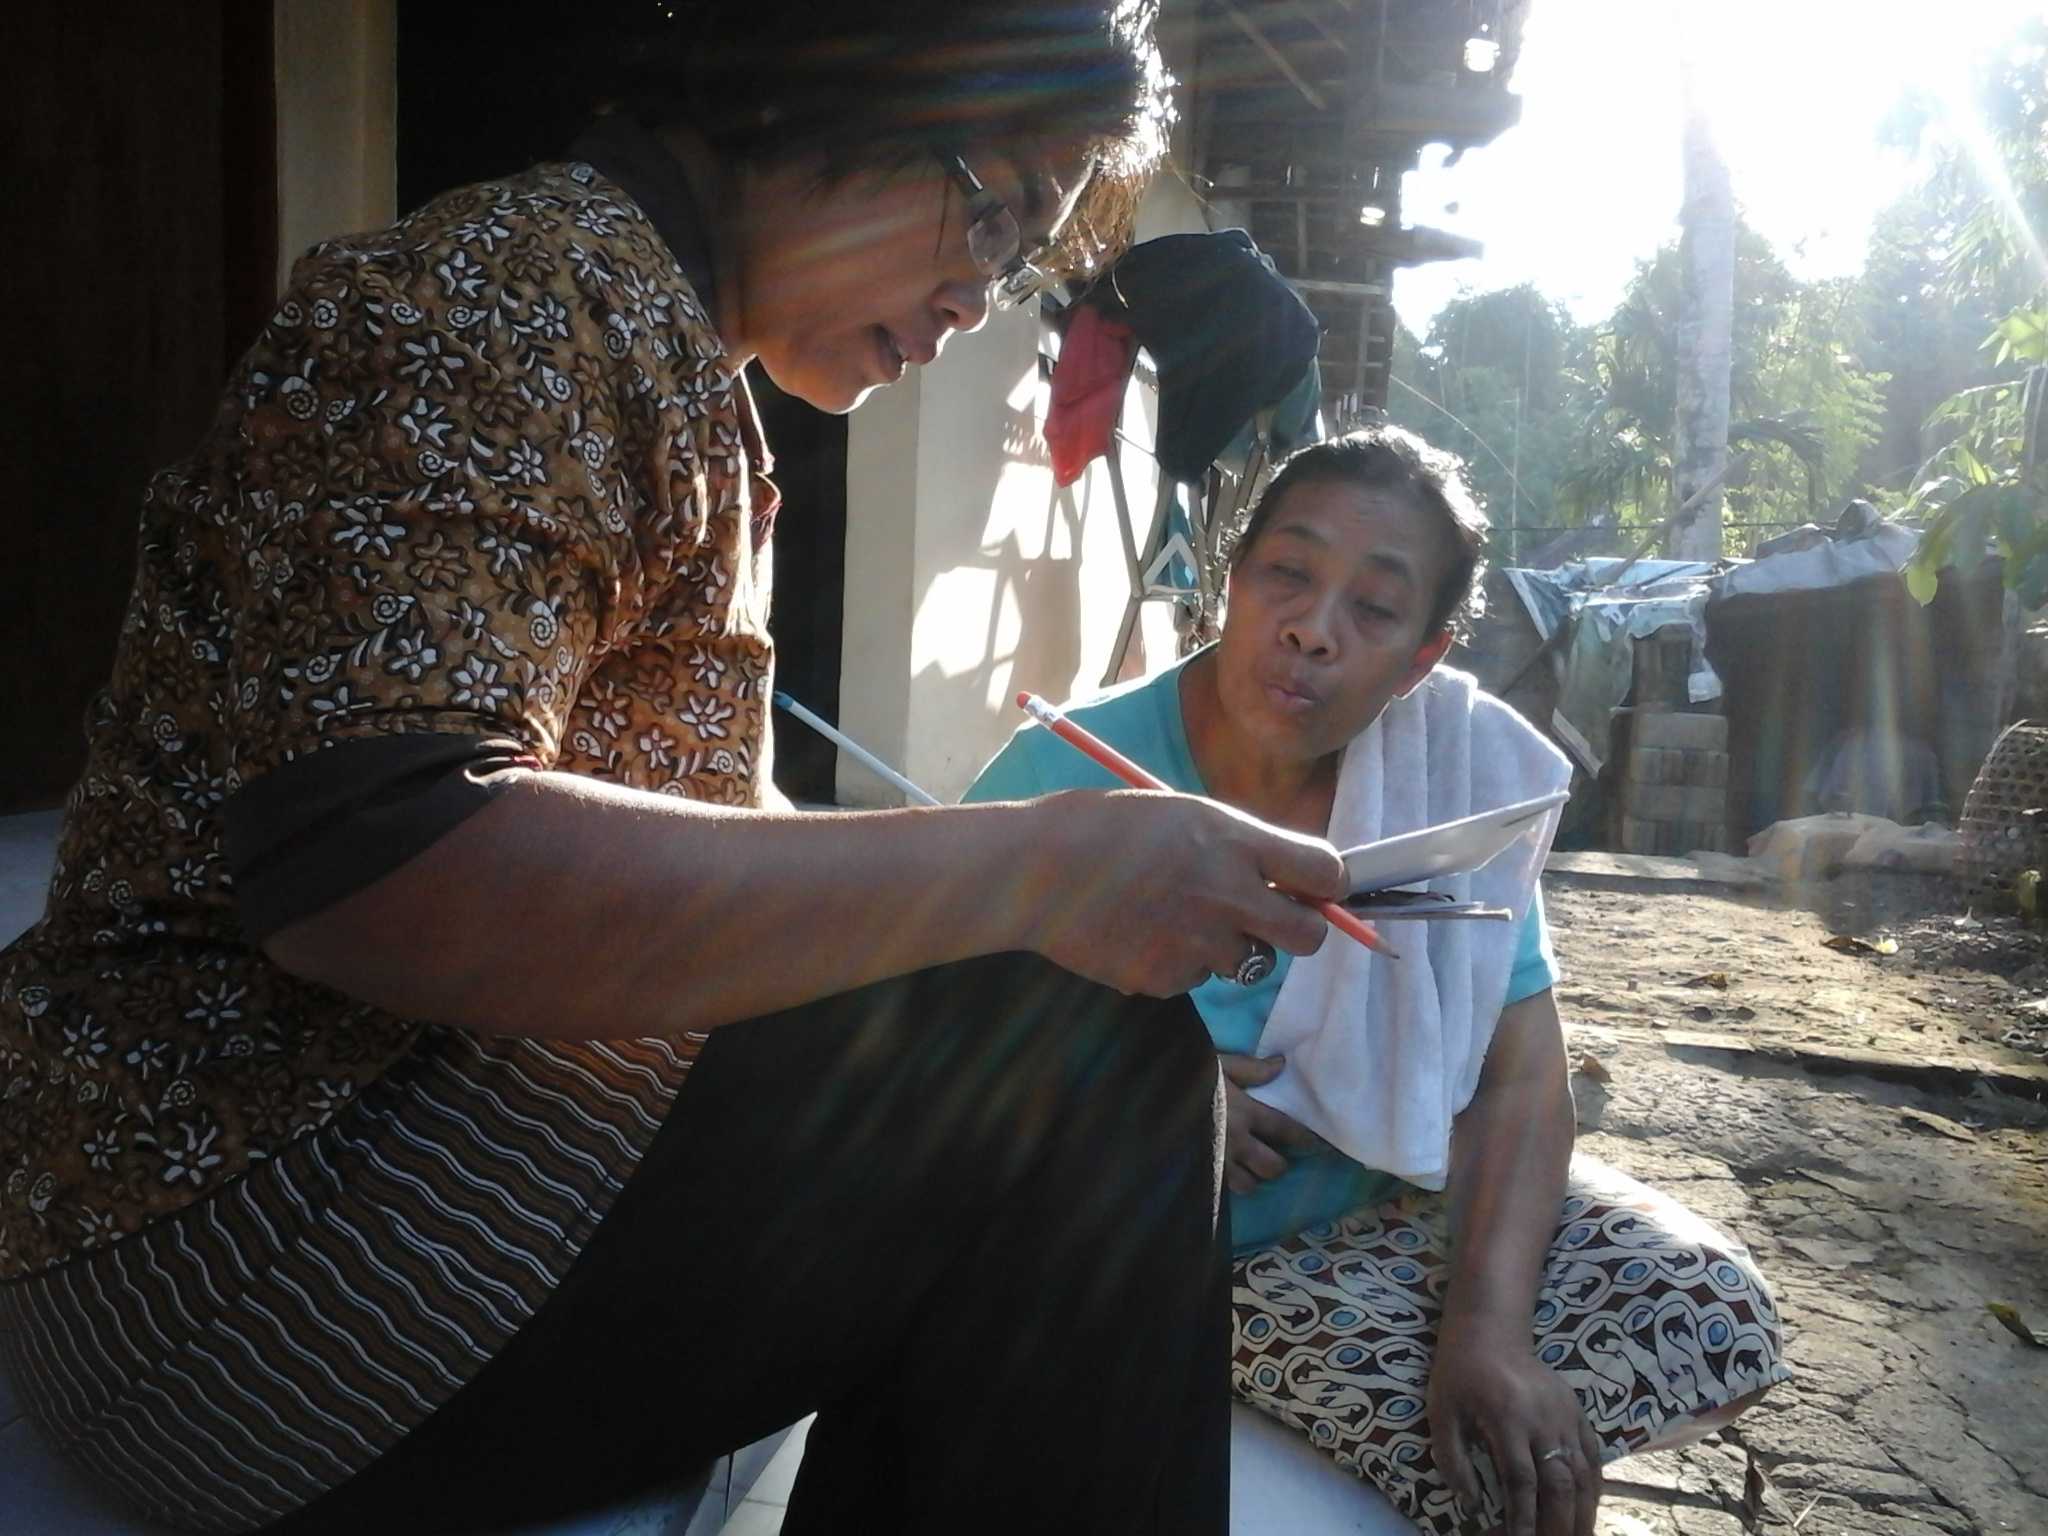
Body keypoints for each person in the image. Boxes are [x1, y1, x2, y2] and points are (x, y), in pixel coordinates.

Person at [0, 6, 1355, 1532]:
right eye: (990, 203)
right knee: (1064, 1061)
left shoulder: (662, 359)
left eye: (1027, 251)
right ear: (839, 73)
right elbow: (379, 868)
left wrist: (1059, 932)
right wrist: (1030, 871)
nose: (982, 291)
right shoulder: (503, 297)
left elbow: (705, 845)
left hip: (363, 1180)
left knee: (1076, 1035)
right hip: (235, 1273)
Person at [965, 427, 1787, 1536]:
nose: (1311, 629)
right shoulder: (1065, 774)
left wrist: (1485, 1331)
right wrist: (1134, 1087)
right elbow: (924, 1044)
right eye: (1287, 576)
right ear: (1230, 578)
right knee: (1479, 1473)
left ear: (1420, 656)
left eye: (1373, 607)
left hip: (1403, 1220)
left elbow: (1521, 1080)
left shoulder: (1444, 779)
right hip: (1177, 1255)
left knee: (1716, 1314)